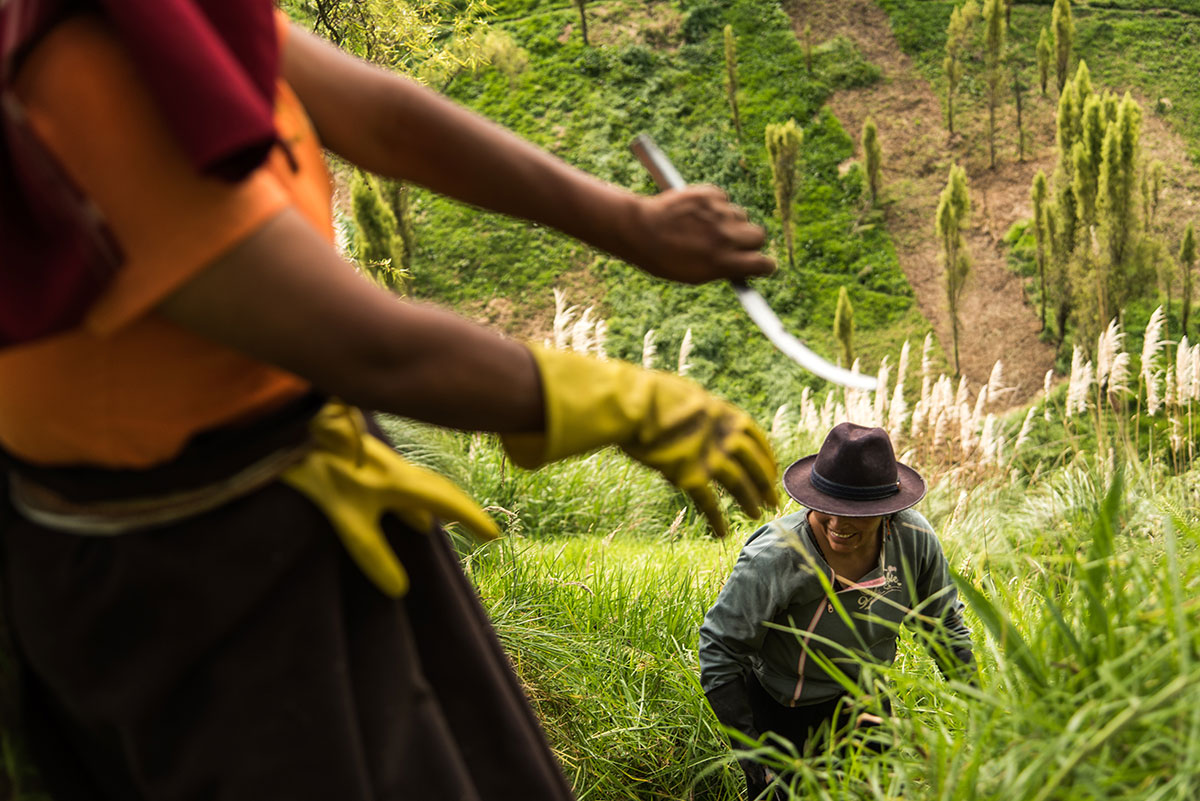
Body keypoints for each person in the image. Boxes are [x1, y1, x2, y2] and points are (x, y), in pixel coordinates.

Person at [0, 1, 781, 799]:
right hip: (185, 584)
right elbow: (360, 342)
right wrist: (607, 398)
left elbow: (387, 118)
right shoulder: (76, 61)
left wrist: (628, 222)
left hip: (310, 484)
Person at [698, 423, 975, 799]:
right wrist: (755, 756)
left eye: (856, 512)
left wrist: (980, 714)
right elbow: (720, 648)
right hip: (783, 710)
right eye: (827, 507)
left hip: (864, 702)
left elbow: (942, 627)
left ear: (886, 509)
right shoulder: (777, 556)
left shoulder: (913, 540)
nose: (838, 523)